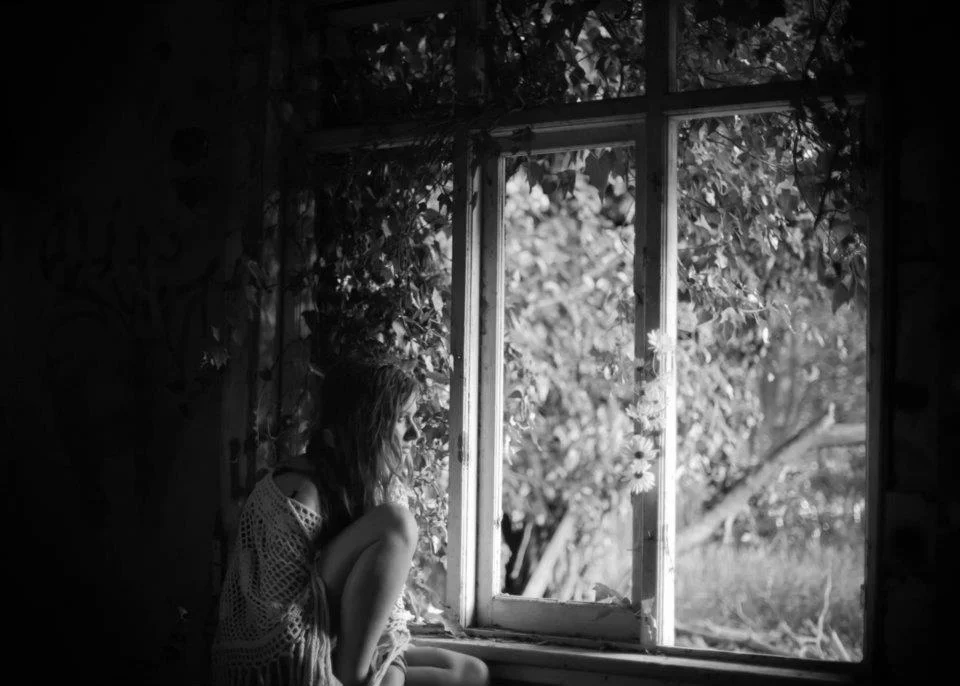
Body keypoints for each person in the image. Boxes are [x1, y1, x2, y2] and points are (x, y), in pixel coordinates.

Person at [212, 357, 489, 686]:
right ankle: (356, 679)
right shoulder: (297, 493)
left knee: (473, 674)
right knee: (396, 524)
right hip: (280, 662)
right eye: (402, 419)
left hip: (338, 646)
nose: (414, 433)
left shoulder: (374, 485)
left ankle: (360, 678)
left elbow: (385, 614)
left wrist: (392, 671)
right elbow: (281, 632)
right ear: (364, 424)